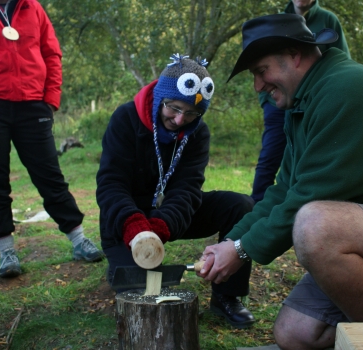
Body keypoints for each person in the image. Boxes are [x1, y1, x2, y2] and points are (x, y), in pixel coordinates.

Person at [198, 14, 363, 349]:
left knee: (314, 225)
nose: (258, 85)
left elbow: (315, 196)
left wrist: (241, 251)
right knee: (295, 334)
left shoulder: (349, 88)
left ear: (295, 56)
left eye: (261, 71)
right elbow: (285, 189)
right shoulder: (304, 106)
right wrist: (232, 241)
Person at [96, 54, 256, 329]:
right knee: (141, 288)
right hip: (127, 220)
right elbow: (111, 184)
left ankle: (227, 296)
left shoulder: (198, 134)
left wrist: (160, 226)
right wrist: (135, 227)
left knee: (240, 206)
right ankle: (126, 262)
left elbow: (187, 190)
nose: (180, 119)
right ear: (160, 98)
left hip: (167, 217)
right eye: (173, 108)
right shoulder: (126, 118)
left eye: (191, 113)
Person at [0, 0, 103, 278]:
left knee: (49, 174)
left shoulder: (32, 8)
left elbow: (51, 54)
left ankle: (78, 240)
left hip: (32, 104)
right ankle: (6, 252)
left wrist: (50, 99)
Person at [252, 0, 350, 202]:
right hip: (277, 106)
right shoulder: (277, 20)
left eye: (261, 73)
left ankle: (297, 205)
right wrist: (267, 102)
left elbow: (342, 61)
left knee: (307, 157)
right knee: (270, 156)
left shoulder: (328, 19)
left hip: (313, 102)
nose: (257, 85)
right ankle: (256, 204)